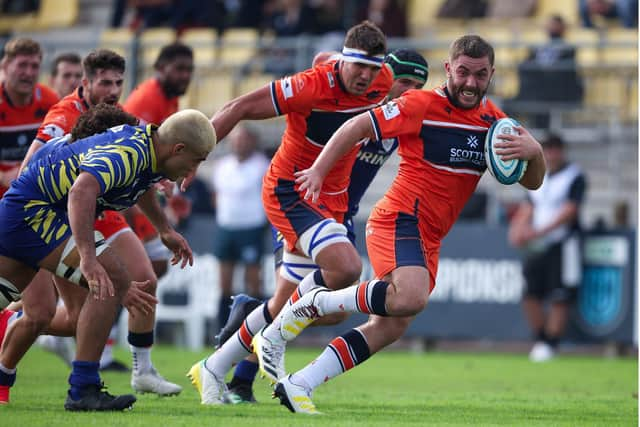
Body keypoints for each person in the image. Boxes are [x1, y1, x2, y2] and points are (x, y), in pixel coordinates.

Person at [263, 35, 546, 414]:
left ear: (491, 74)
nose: (470, 82)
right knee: (410, 296)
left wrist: (536, 154)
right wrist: (318, 169)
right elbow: (356, 128)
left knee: (391, 325)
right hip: (399, 218)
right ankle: (318, 301)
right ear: (449, 70)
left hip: (430, 235)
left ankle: (300, 384)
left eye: (480, 75)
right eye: (463, 72)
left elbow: (531, 181)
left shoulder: (495, 124)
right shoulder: (420, 104)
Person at [186, 20, 394, 405]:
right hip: (291, 190)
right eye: (358, 66)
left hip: (330, 200)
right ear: (344, 62)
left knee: (320, 311)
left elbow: (325, 56)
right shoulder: (309, 86)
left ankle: (214, 367)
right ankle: (274, 341)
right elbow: (238, 106)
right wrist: (197, 157)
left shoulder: (383, 80)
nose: (366, 76)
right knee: (347, 269)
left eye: (373, 68)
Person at [213, 48, 430, 404]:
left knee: (333, 312)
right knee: (290, 301)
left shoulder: (401, 120)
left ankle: (249, 314)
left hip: (341, 214)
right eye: (404, 81)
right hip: (304, 203)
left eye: (417, 86)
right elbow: (323, 58)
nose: (408, 91)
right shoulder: (358, 103)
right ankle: (241, 380)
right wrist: (331, 63)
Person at [0, 107, 216, 410]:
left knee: (6, 292)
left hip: (26, 214)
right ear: (178, 148)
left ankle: (80, 385)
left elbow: (139, 185)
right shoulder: (128, 152)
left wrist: (164, 229)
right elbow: (81, 192)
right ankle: (83, 388)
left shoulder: (150, 150)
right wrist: (88, 258)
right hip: (35, 214)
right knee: (111, 277)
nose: (193, 171)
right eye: (196, 161)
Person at [1, 49, 180, 403]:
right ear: (86, 84)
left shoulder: (123, 124)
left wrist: (163, 228)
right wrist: (83, 251)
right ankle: (81, 387)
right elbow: (34, 172)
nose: (113, 89)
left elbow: (139, 175)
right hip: (48, 213)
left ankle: (137, 369)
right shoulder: (64, 115)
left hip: (73, 211)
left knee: (115, 288)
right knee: (65, 302)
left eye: (118, 82)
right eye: (105, 82)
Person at [508, 134, 587, 362]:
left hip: (563, 242)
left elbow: (570, 211)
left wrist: (540, 231)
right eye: (548, 149)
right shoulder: (537, 176)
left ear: (562, 152)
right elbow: (529, 206)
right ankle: (541, 338)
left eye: (555, 150)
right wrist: (517, 228)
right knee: (530, 294)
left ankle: (552, 342)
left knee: (559, 295)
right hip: (538, 245)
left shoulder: (574, 177)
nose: (552, 154)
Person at [123, 42, 195, 278]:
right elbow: (130, 156)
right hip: (124, 191)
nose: (185, 75)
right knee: (149, 267)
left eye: (189, 70)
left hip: (138, 189)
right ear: (160, 68)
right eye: (179, 69)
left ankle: (109, 308)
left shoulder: (169, 99)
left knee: (154, 267)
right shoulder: (146, 100)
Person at [210, 125, 269, 329]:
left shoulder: (262, 165)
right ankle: (222, 330)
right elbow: (217, 196)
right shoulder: (223, 166)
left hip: (251, 227)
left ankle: (257, 329)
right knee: (224, 282)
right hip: (227, 227)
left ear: (253, 142)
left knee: (253, 280)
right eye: (236, 140)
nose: (240, 144)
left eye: (244, 139)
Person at [0, 38, 59, 199]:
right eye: (22, 65)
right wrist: (2, 177)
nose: (29, 73)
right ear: (5, 66)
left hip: (36, 198)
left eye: (34, 66)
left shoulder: (50, 101)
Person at [504, 15, 583, 128]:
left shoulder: (568, 49)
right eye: (550, 25)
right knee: (507, 105)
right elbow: (524, 65)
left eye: (554, 25)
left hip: (557, 91)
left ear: (562, 28)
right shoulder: (538, 48)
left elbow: (565, 74)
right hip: (536, 90)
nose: (551, 28)